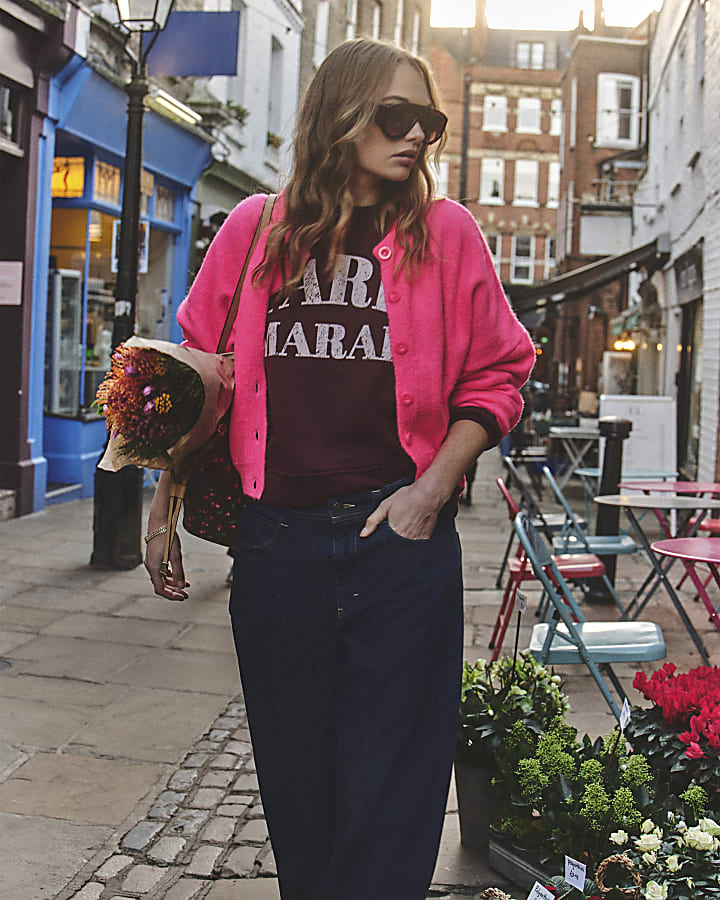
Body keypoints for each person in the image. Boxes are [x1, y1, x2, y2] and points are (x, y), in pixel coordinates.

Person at [145, 38, 535, 900]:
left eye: (426, 123)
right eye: (394, 117)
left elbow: (503, 371)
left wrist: (431, 493)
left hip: (396, 545)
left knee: (395, 790)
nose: (414, 138)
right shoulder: (254, 230)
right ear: (340, 116)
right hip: (277, 545)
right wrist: (161, 500)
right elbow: (195, 370)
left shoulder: (446, 235)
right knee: (298, 784)